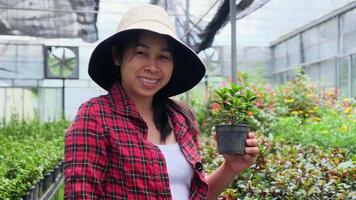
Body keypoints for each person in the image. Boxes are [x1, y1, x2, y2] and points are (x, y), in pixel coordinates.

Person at [64, 4, 259, 200]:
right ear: (117, 55)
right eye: (141, 53)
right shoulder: (95, 116)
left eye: (163, 57)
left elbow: (194, 194)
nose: (152, 67)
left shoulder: (182, 118)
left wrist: (230, 168)